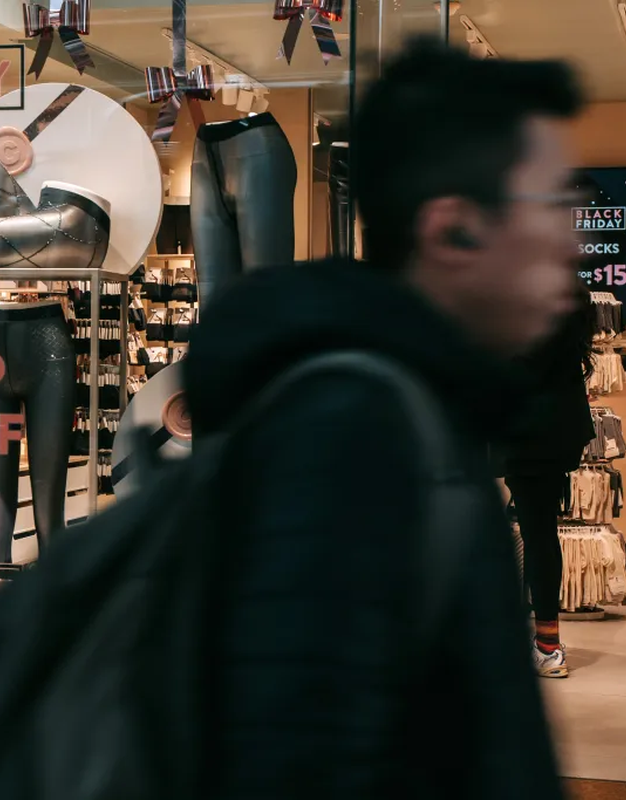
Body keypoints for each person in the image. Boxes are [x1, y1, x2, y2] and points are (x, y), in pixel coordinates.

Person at [183, 39, 578, 796]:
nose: (568, 238)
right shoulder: (361, 445)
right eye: (553, 202)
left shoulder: (424, 418)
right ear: (454, 229)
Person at [502, 283, 596, 678]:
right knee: (541, 533)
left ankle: (546, 645)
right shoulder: (575, 293)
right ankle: (546, 641)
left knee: (536, 533)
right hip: (558, 429)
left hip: (528, 430)